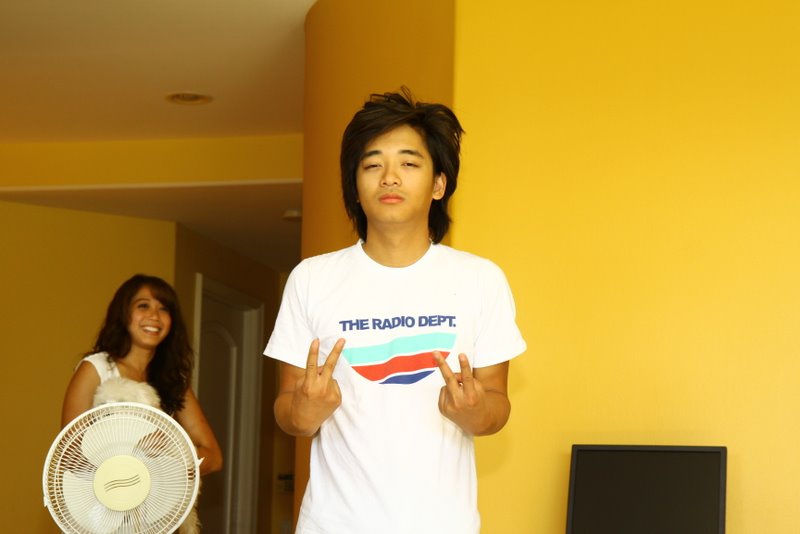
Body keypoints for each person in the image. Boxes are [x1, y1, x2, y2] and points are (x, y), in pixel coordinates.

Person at [264, 88, 526, 534]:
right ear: (355, 185)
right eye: (372, 165)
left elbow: (496, 407)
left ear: (438, 184)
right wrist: (305, 411)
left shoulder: (481, 279)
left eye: (408, 163)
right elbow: (288, 410)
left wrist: (473, 411)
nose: (389, 178)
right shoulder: (311, 279)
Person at [61, 273, 223, 476]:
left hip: (156, 493)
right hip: (100, 490)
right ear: (123, 313)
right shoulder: (96, 368)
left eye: (164, 309)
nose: (154, 316)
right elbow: (68, 454)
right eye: (143, 306)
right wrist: (128, 466)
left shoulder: (174, 380)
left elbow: (214, 457)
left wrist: (175, 461)